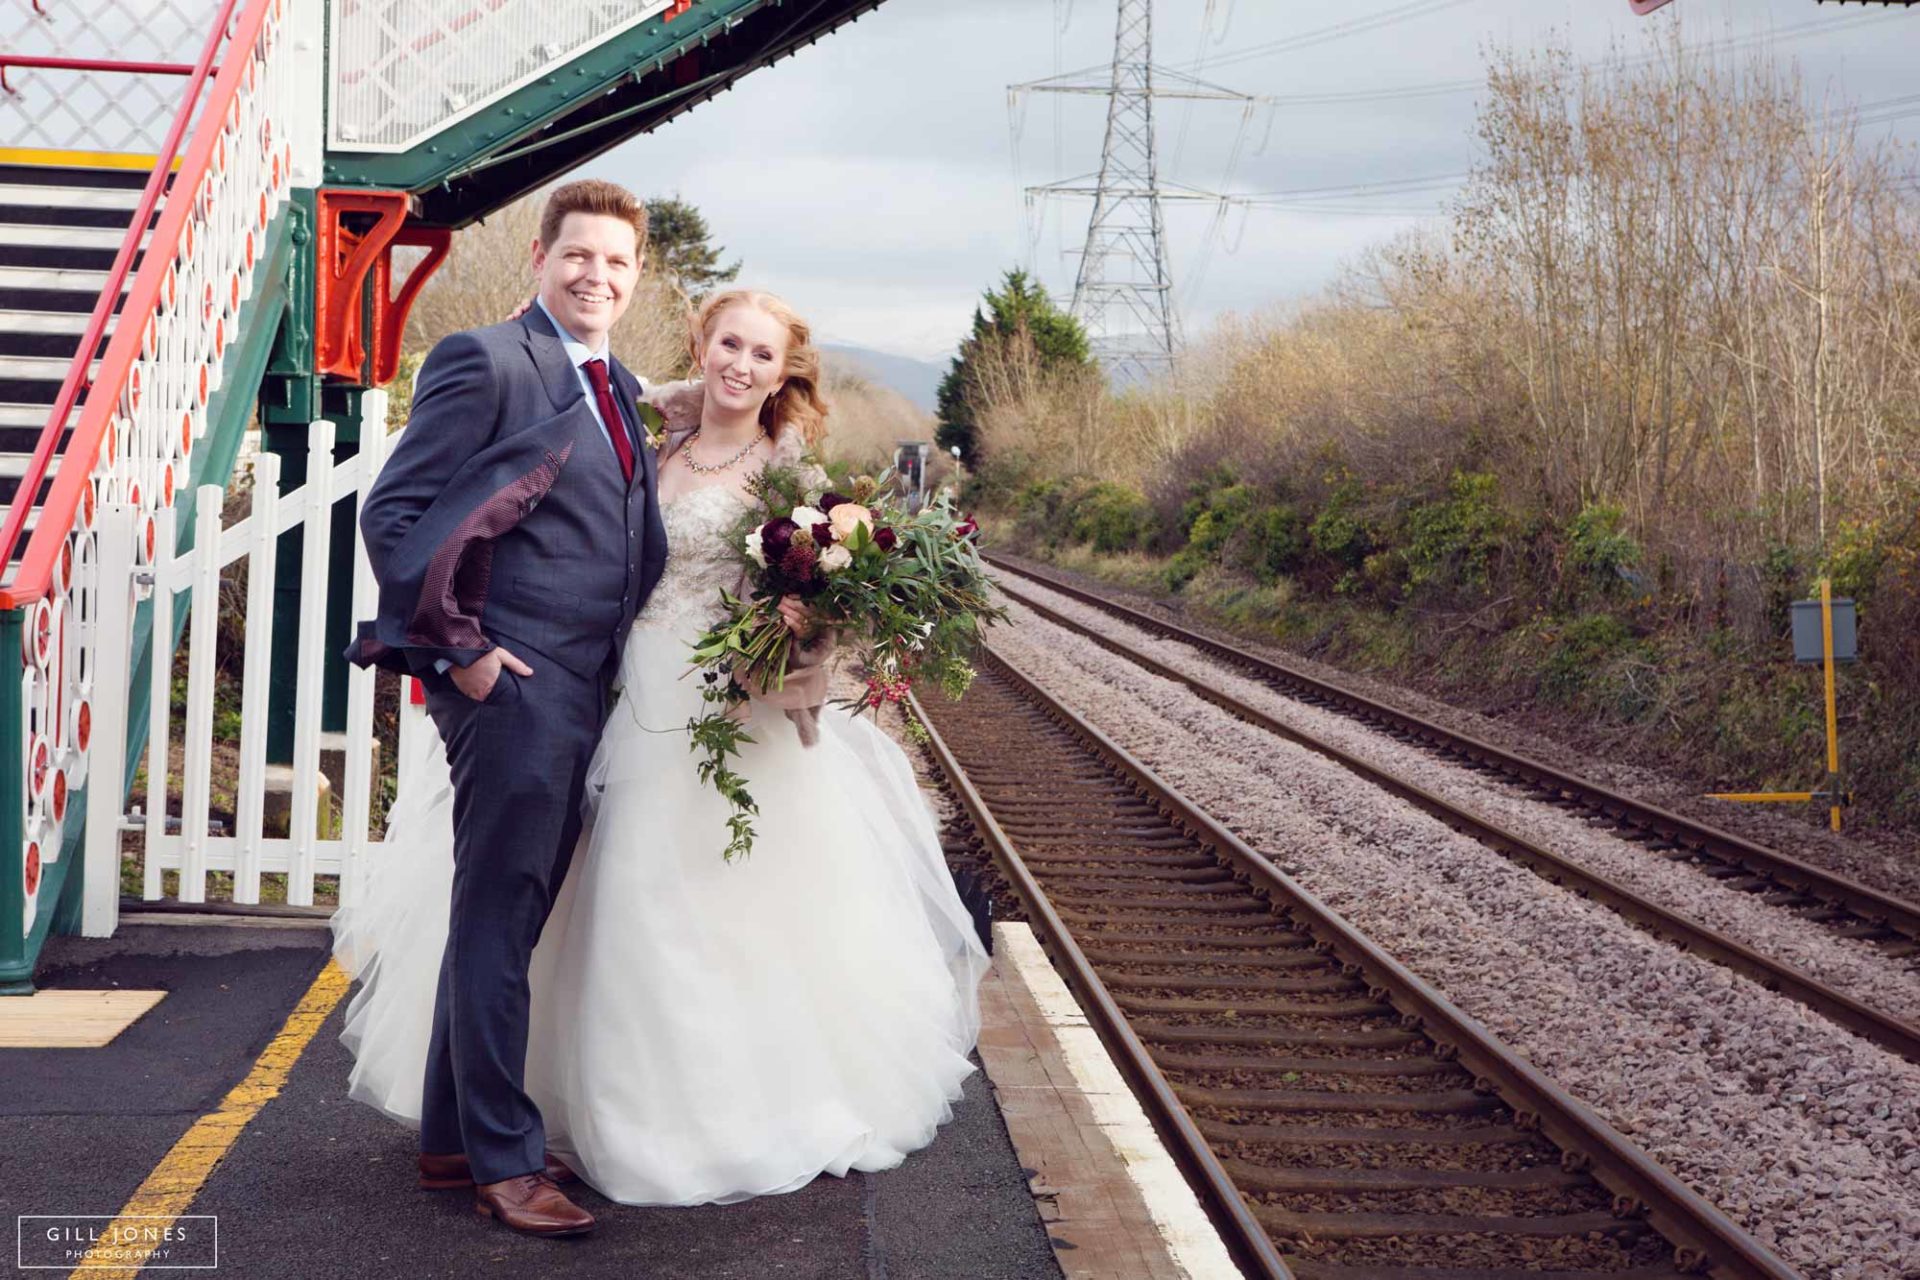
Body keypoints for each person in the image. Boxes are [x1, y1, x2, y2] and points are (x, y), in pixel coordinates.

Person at [334, 283, 989, 1230]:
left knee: (705, 902)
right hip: (619, 690)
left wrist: (803, 617)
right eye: (730, 343)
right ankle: (553, 1114)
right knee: (592, 902)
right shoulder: (649, 433)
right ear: (703, 342)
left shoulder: (791, 481)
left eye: (764, 355)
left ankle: (702, 1116)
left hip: (722, 710)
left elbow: (829, 602)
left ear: (784, 374)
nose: (742, 365)